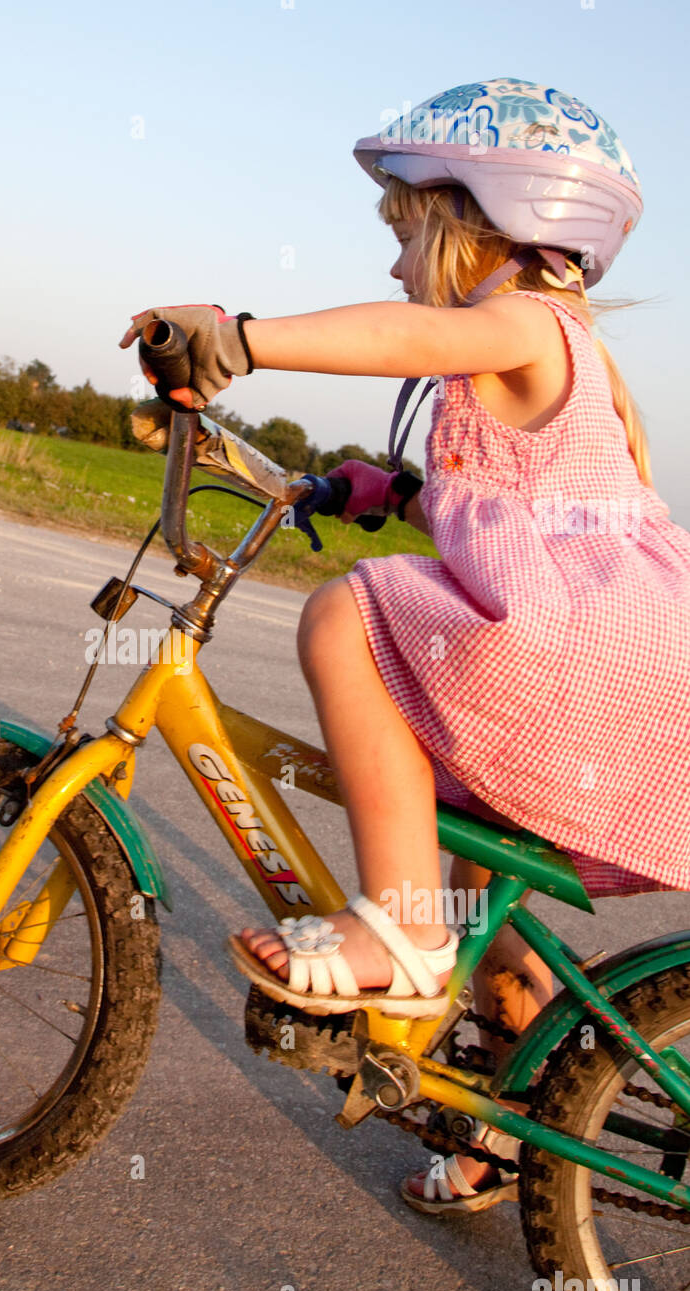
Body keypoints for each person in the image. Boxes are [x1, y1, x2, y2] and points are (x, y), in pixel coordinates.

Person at [120, 77, 690, 1213]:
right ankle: (498, 1127)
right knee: (486, 893)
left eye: (405, 233)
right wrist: (382, 488)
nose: (393, 265)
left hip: (571, 653)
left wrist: (244, 338)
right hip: (606, 660)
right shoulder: (547, 362)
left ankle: (396, 927)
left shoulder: (524, 320)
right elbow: (514, 508)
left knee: (349, 611)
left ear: (485, 223)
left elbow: (406, 332)